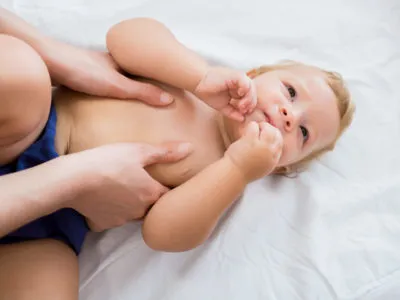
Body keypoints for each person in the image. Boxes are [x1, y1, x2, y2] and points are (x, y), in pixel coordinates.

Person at [0, 11, 355, 300]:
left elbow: (163, 234)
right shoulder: (190, 80)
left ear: (281, 167)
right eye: (290, 92)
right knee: (22, 75)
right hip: (32, 126)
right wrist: (197, 76)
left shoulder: (224, 176)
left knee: (49, 283)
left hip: (53, 221)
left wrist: (238, 169)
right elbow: (126, 36)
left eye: (304, 133)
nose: (290, 116)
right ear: (252, 75)